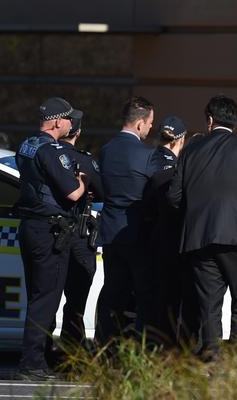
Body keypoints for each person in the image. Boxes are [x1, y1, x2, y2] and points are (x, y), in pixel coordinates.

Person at [167, 95, 237, 358]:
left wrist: (192, 216)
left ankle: (212, 352)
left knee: (209, 301)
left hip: (200, 237)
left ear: (210, 120)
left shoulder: (191, 149)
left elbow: (173, 196)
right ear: (234, 123)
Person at [14, 97, 87, 380]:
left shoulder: (26, 144)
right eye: (68, 119)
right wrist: (83, 180)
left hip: (31, 227)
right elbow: (73, 194)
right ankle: (31, 363)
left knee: (37, 295)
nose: (71, 124)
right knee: (46, 298)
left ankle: (39, 356)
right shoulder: (53, 150)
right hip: (50, 230)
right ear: (58, 121)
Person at [95, 96, 159, 344]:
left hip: (111, 230)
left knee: (112, 292)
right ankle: (138, 350)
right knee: (143, 295)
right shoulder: (146, 154)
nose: (152, 127)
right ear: (140, 123)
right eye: (151, 122)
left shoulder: (106, 150)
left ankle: (105, 347)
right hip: (137, 231)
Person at [143, 116, 197, 345]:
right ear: (180, 139)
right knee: (172, 302)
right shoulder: (174, 169)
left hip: (152, 239)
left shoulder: (146, 158)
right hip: (172, 242)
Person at [58, 110, 104, 347]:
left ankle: (43, 348)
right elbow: (103, 190)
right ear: (78, 132)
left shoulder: (45, 154)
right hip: (78, 233)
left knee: (47, 298)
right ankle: (69, 350)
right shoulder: (84, 160)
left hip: (52, 234)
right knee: (76, 299)